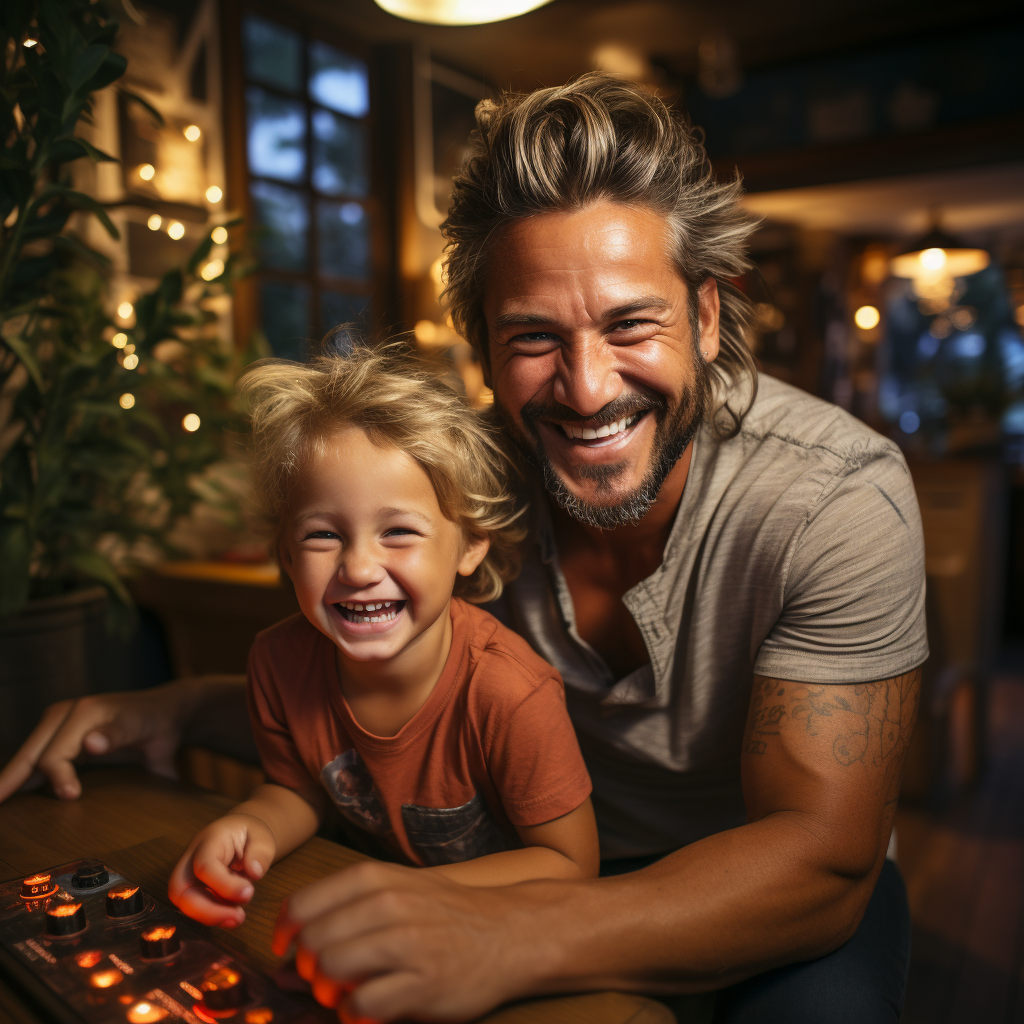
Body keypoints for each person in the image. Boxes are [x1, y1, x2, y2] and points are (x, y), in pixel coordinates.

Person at [0, 74, 926, 1024]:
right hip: (527, 865)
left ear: (707, 315)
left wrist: (511, 940)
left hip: (757, 891)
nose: (585, 387)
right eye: (533, 335)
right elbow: (399, 715)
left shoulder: (838, 498)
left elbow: (820, 856)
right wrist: (186, 709)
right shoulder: (458, 487)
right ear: (484, 348)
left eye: (630, 323)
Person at [167, 347, 598, 929]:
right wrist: (252, 828)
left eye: (398, 531)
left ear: (470, 544)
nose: (360, 567)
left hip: (498, 935)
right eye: (322, 535)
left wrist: (411, 892)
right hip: (362, 926)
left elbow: (571, 865)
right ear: (286, 555)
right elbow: (300, 792)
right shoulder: (277, 661)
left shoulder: (510, 692)